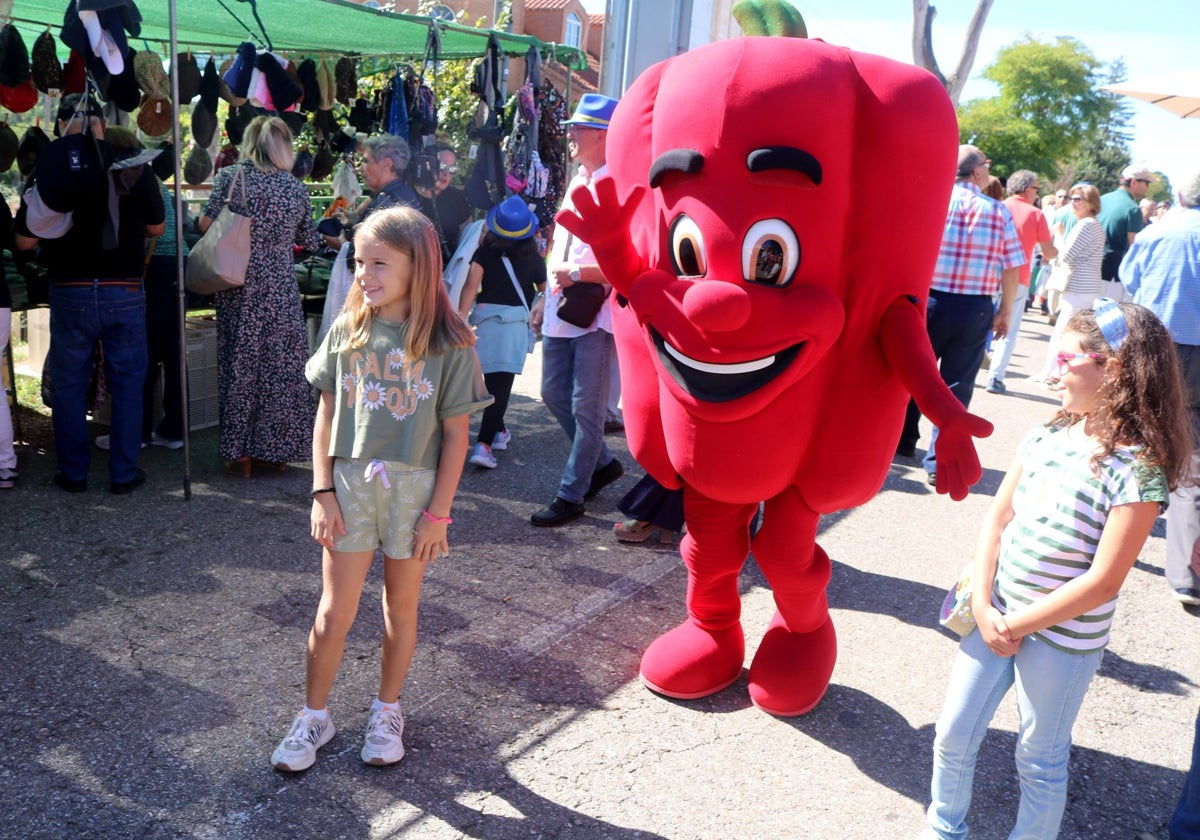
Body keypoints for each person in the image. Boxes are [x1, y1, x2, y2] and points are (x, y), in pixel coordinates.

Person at [921, 299, 1193, 840]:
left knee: (1038, 756)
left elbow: (1104, 581)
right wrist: (983, 604)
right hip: (992, 613)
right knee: (953, 733)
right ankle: (944, 829)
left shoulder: (1139, 470)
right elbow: (997, 518)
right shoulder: (1047, 433)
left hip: (1062, 639)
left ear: (1111, 369)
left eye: (1066, 360)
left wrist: (1015, 626)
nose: (1053, 371)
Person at [272, 206, 491, 772]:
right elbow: (325, 414)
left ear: (418, 267)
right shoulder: (347, 328)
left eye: (378, 263)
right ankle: (313, 716)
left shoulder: (451, 341)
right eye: (359, 260)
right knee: (334, 610)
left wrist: (438, 514)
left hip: (415, 495)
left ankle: (387, 710)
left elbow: (457, 437)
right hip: (348, 488)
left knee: (402, 606)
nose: (364, 274)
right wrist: (321, 491)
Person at [14, 93, 165, 494]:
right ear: (102, 124)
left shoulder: (51, 170)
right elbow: (158, 229)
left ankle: (74, 473)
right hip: (124, 289)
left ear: (63, 126)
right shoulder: (134, 169)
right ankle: (123, 473)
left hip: (71, 288)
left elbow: (25, 243)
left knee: (68, 384)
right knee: (129, 383)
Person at [199, 115, 320, 476]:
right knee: (280, 371)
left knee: (241, 365)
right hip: (280, 288)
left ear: (249, 143)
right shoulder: (295, 188)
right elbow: (311, 242)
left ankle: (241, 452)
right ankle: (276, 450)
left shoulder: (230, 179)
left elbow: (205, 225)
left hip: (238, 285)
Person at [898, 144, 1024, 486]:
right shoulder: (998, 212)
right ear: (978, 172)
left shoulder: (933, 203)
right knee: (957, 384)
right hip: (974, 306)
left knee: (915, 375)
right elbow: (1012, 266)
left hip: (929, 301)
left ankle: (903, 441)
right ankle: (939, 458)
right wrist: (1006, 310)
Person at [529, 93, 625, 526]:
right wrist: (542, 295)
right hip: (561, 306)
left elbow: (628, 258)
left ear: (604, 136)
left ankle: (572, 494)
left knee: (587, 407)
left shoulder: (620, 184)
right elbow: (559, 246)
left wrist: (578, 274)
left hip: (596, 314)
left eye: (579, 127)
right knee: (553, 393)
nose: (570, 133)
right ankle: (601, 464)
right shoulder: (578, 178)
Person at [1120, 167, 1200, 608]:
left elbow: (1130, 277)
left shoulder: (1160, 230)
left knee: (1139, 434)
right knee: (1193, 458)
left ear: (1182, 198)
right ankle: (1185, 576)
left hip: (1154, 342)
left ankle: (1113, 536)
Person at [92, 127, 186, 453]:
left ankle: (139, 432)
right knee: (172, 351)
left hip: (152, 267)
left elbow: (145, 228)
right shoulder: (149, 175)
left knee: (141, 351)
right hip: (177, 263)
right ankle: (173, 430)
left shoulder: (124, 178)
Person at [458, 195, 546, 469]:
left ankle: (498, 430)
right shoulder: (534, 257)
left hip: (484, 322)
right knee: (500, 386)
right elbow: (545, 291)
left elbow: (471, 286)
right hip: (513, 328)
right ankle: (483, 446)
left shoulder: (484, 253)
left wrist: (460, 319)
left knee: (486, 384)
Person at [986, 170, 1057, 394]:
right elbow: (1048, 251)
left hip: (987, 273)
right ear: (1028, 190)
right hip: (1018, 277)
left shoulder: (996, 206)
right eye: (1037, 189)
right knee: (1009, 329)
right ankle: (995, 377)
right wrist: (1060, 250)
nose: (1037, 193)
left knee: (981, 322)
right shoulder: (1036, 214)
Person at [1031, 184, 1105, 384]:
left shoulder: (1086, 224)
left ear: (1091, 203)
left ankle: (1051, 373)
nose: (1073, 202)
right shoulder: (1091, 224)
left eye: (1078, 198)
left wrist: (1059, 234)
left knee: (1063, 332)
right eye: (1072, 198)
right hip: (1083, 287)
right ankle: (1055, 373)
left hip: (1080, 288)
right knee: (1068, 331)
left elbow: (1067, 256)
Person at [321, 134, 419, 253]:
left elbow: (375, 256)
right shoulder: (397, 194)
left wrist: (342, 245)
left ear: (386, 165)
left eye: (366, 161)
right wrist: (356, 220)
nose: (360, 168)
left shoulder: (389, 203)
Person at [414, 141, 473, 264]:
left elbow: (466, 240)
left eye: (452, 169)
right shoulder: (407, 193)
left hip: (446, 271)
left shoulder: (456, 198)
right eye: (441, 166)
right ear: (427, 165)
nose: (446, 173)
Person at [1098, 164, 1151, 285]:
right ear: (1133, 182)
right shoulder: (1133, 209)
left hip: (1090, 270)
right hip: (1112, 275)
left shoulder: (1102, 199)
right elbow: (1134, 247)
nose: (1147, 187)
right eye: (1147, 183)